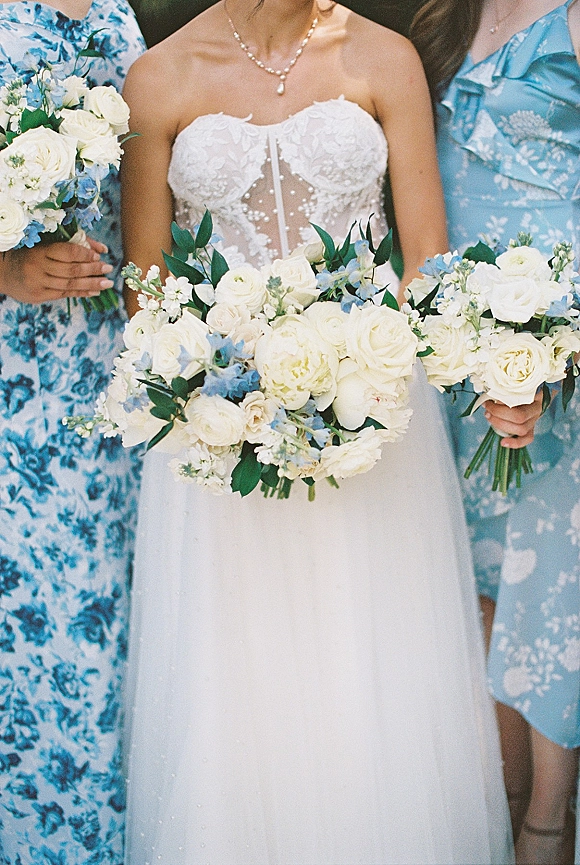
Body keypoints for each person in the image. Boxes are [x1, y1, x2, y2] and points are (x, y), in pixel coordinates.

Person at [121, 2, 515, 862]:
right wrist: (225, 376)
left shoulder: (385, 57)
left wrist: (364, 371)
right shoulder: (158, 76)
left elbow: (427, 263)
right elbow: (142, 292)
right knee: (241, 676)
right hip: (222, 429)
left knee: (366, 658)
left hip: (373, 415)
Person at [410, 2, 580, 863]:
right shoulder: (445, 16)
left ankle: (552, 817)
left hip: (559, 344)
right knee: (480, 575)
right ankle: (502, 799)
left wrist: (555, 340)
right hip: (461, 346)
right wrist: (461, 334)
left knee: (552, 581)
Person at [0, 1, 144, 861]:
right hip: (19, 388)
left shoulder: (119, 15)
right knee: (37, 625)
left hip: (120, 371)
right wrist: (8, 269)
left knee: (121, 618)